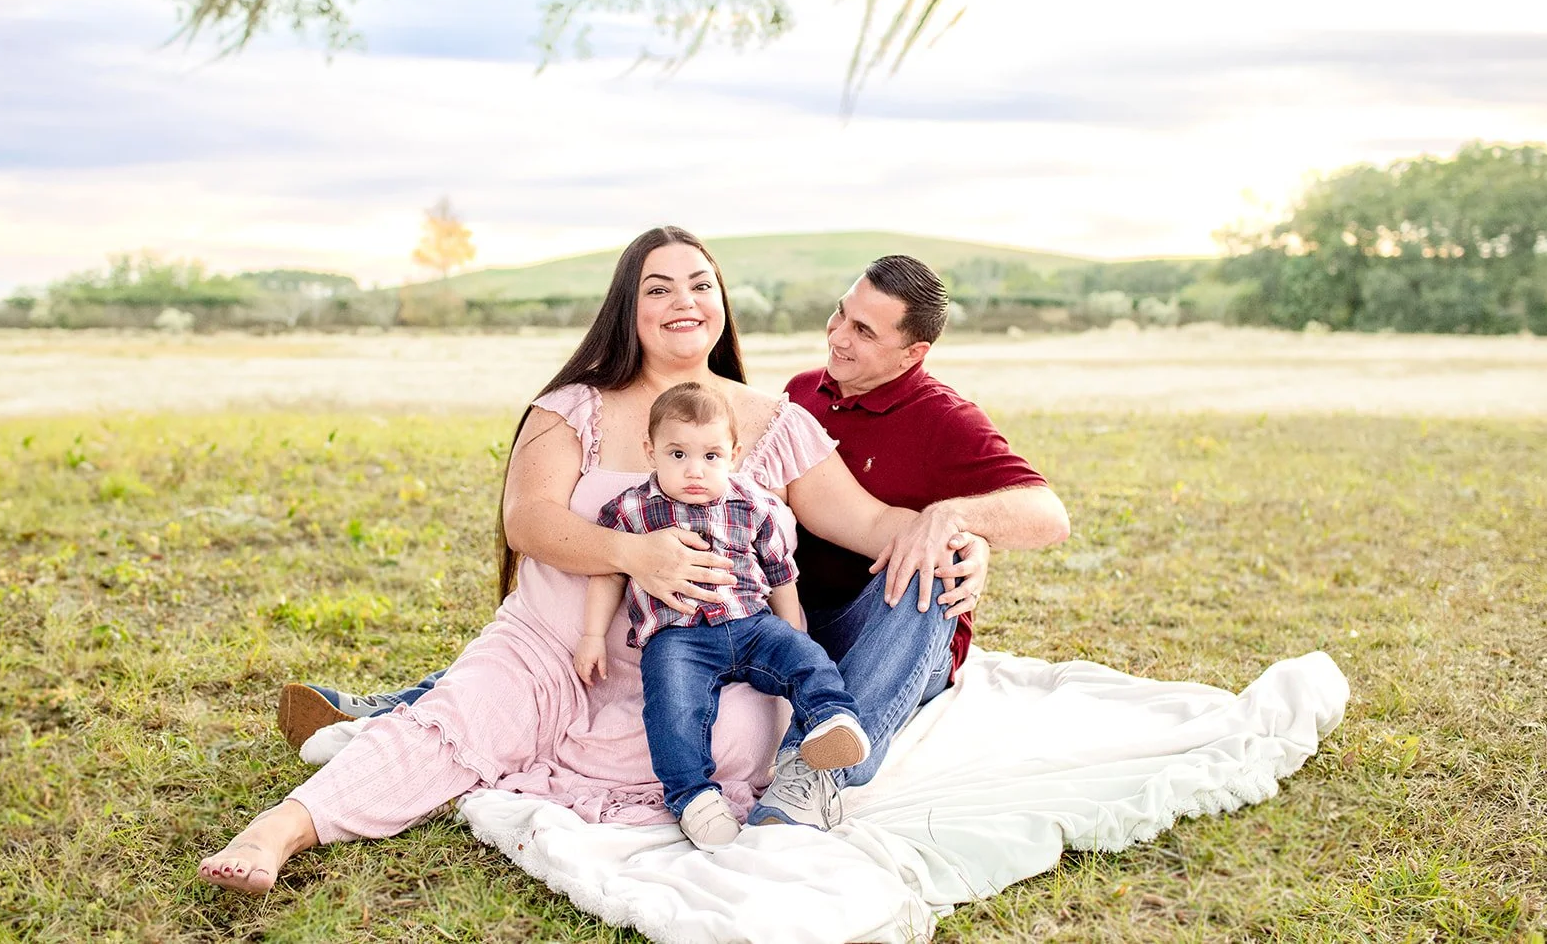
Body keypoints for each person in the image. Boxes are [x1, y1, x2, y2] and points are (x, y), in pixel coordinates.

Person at [198, 226, 983, 893]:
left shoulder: (773, 422)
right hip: (557, 644)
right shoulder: (573, 404)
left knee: (737, 739)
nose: (684, 301)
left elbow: (877, 522)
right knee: (458, 721)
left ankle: (720, 783)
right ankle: (280, 829)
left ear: (721, 303)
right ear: (627, 308)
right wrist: (633, 553)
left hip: (702, 659)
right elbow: (528, 517)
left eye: (701, 284)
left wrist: (956, 531)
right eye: (659, 288)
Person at [577, 381, 870, 849]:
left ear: (733, 452)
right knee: (671, 706)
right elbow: (608, 573)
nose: (695, 470)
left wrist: (792, 625)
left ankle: (831, 718)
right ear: (650, 451)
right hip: (678, 637)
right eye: (678, 455)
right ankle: (692, 796)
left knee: (807, 658)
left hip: (752, 623)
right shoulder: (632, 509)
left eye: (711, 456)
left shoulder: (753, 505)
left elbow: (780, 573)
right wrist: (592, 635)